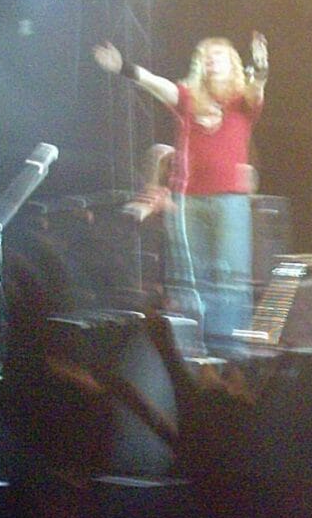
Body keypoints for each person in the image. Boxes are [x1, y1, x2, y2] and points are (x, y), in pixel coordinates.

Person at [93, 33, 268, 350]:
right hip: (189, 201)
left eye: (219, 55)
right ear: (201, 65)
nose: (212, 60)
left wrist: (260, 68)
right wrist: (123, 67)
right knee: (191, 279)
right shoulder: (188, 98)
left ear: (232, 65)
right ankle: (191, 350)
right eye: (207, 56)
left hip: (230, 201)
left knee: (229, 277)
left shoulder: (241, 103)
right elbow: (156, 84)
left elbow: (257, 87)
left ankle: (229, 352)